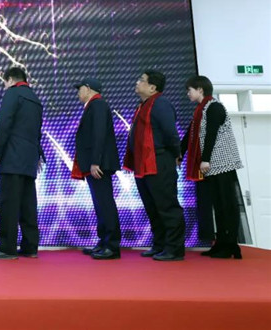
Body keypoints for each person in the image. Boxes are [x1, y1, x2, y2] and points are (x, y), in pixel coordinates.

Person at [179, 75, 244, 259]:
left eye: (189, 90)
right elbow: (190, 135)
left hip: (221, 164)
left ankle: (231, 244)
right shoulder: (200, 110)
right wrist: (180, 154)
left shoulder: (214, 107)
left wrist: (205, 159)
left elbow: (211, 134)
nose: (187, 93)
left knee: (226, 204)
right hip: (211, 166)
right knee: (217, 205)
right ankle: (221, 243)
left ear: (200, 89)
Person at [124, 70, 185, 261]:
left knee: (167, 207)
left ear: (152, 87)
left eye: (141, 80)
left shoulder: (161, 104)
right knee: (153, 207)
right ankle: (159, 245)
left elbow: (170, 133)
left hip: (159, 161)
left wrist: (176, 154)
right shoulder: (143, 105)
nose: (137, 82)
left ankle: (174, 249)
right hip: (143, 163)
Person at [0, 67, 44, 260]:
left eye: (4, 82)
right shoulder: (35, 98)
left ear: (10, 79)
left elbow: (4, 122)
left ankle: (7, 248)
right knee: (28, 204)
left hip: (11, 157)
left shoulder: (12, 94)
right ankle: (30, 246)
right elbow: (37, 130)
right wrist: (38, 154)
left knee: (8, 204)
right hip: (29, 159)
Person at [71, 78, 122, 260]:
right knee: (100, 204)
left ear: (88, 88)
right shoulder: (93, 106)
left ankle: (112, 246)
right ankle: (103, 242)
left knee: (105, 203)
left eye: (80, 89)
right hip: (95, 163)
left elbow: (99, 134)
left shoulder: (98, 105)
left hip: (99, 165)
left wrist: (95, 162)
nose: (78, 93)